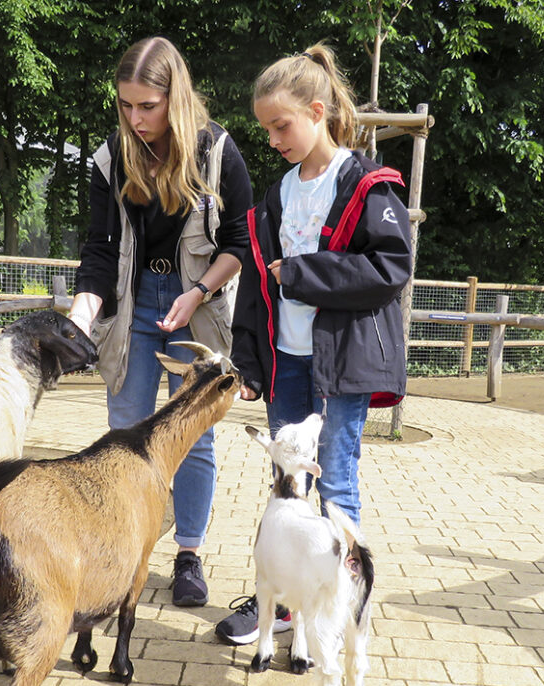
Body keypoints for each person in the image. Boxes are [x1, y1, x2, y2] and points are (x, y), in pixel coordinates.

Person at [216, 44, 412, 644]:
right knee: (286, 481)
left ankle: (342, 602)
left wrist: (304, 273)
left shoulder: (367, 185)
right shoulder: (276, 196)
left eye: (282, 125)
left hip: (341, 365)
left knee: (338, 481)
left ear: (318, 110)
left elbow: (390, 268)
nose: (274, 138)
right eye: (267, 129)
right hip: (286, 361)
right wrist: (248, 362)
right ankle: (282, 601)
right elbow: (255, 284)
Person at [68, 37, 253, 607]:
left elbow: (240, 243)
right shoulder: (110, 158)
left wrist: (197, 293)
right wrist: (79, 320)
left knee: (190, 437)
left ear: (174, 97)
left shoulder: (217, 152)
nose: (135, 118)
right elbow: (99, 253)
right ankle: (120, 555)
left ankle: (189, 556)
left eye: (147, 106)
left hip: (197, 303)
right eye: (125, 105)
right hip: (134, 302)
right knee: (125, 435)